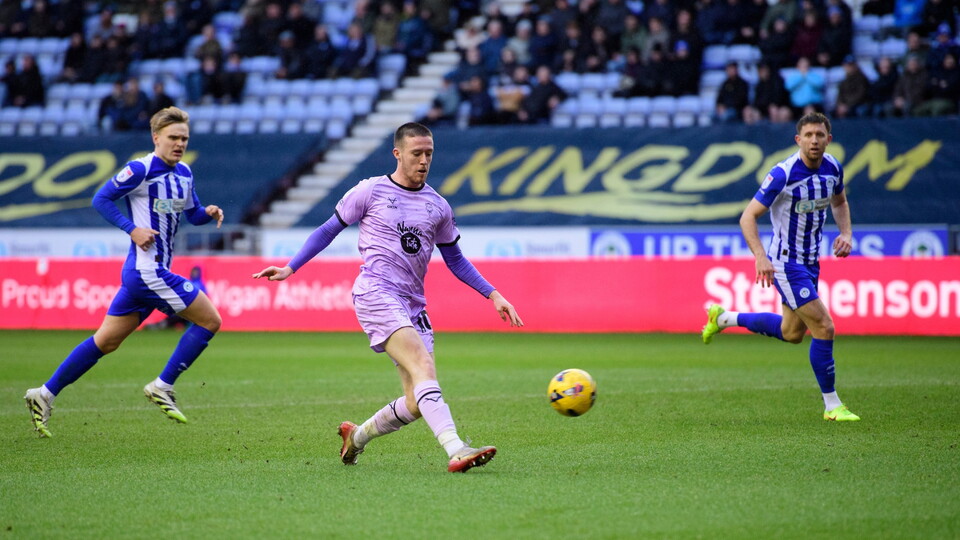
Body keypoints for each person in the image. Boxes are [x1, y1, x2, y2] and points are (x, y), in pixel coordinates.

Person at [252, 122, 523, 472]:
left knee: (415, 400)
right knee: (424, 367)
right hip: (376, 292)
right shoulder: (370, 191)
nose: (424, 160)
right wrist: (291, 268)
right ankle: (456, 448)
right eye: (416, 154)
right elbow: (327, 230)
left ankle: (357, 436)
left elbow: (454, 258)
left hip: (413, 304)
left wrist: (493, 294)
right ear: (397, 154)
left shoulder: (437, 205)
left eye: (429, 154)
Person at [24, 107, 225, 438]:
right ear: (156, 137)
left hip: (147, 275)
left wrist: (208, 212)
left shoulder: (185, 173)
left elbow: (192, 214)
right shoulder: (140, 169)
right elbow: (101, 199)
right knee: (210, 320)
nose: (179, 144)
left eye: (184, 138)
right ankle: (162, 385)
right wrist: (132, 229)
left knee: (105, 341)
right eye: (173, 137)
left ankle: (43, 394)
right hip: (147, 271)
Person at [701, 112, 860, 423]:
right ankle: (832, 405)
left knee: (792, 333)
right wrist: (761, 256)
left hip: (811, 262)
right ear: (798, 140)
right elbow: (748, 217)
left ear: (829, 139)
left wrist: (846, 233)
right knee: (824, 327)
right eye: (809, 135)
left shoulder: (833, 170)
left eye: (820, 135)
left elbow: (840, 202)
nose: (815, 140)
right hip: (786, 263)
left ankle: (724, 318)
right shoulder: (782, 174)